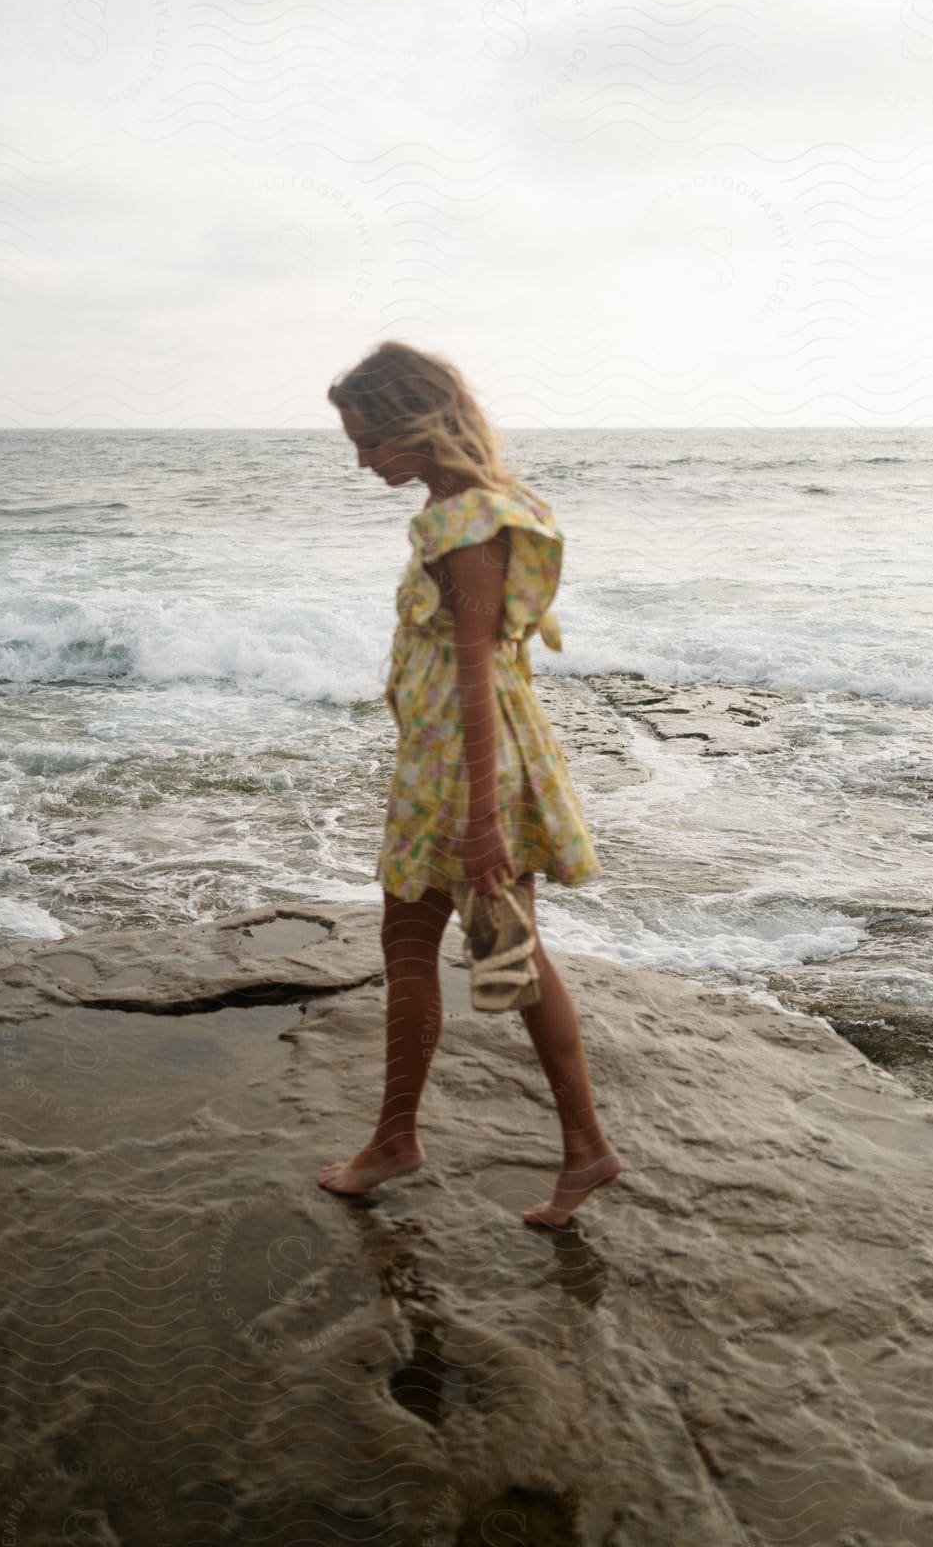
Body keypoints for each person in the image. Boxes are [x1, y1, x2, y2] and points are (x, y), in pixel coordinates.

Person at [320, 340, 622, 1228]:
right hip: (445, 770)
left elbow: (477, 669)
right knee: (482, 953)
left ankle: (549, 1146)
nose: (363, 459)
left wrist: (483, 818)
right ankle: (553, 1148)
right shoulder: (468, 510)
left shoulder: (467, 522)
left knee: (490, 955)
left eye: (371, 439)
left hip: (463, 776)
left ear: (417, 424)